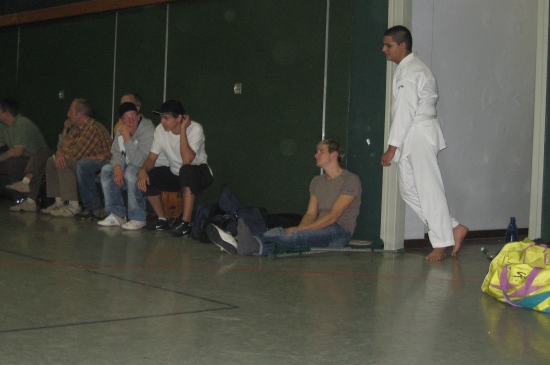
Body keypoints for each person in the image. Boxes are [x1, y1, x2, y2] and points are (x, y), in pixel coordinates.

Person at [380, 25, 469, 262]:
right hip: (412, 133)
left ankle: (440, 243)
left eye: (388, 45)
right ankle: (452, 227)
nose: (384, 50)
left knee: (429, 189)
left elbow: (405, 110)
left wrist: (392, 147)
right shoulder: (407, 69)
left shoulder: (413, 71)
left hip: (418, 132)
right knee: (408, 190)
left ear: (402, 45)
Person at [207, 139, 362, 256]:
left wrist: (301, 230)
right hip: (319, 225)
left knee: (295, 235)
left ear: (334, 154)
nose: (316, 154)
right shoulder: (316, 181)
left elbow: (334, 216)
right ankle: (248, 244)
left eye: (321, 151)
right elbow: (310, 214)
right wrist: (301, 228)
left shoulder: (350, 180)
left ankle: (240, 241)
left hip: (339, 231)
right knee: (283, 232)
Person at [137, 100, 213, 235]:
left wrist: (183, 129)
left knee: (186, 170)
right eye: (161, 117)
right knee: (149, 176)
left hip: (199, 173)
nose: (162, 122)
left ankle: (185, 223)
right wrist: (142, 170)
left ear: (179, 118)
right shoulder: (160, 130)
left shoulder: (195, 129)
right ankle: (162, 219)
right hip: (176, 173)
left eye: (166, 118)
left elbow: (187, 160)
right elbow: (151, 158)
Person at [42, 98, 112, 217]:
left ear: (80, 114)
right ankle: (59, 203)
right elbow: (62, 146)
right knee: (52, 161)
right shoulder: (76, 128)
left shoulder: (92, 128)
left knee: (65, 161)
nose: (68, 114)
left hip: (99, 165)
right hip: (82, 163)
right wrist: (60, 152)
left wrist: (62, 153)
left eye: (70, 111)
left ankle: (73, 206)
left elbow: (76, 154)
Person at [98, 102, 154, 230]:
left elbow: (140, 161)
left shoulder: (147, 130)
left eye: (134, 117)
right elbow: (116, 153)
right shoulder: (121, 130)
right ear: (121, 121)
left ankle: (138, 217)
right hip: (128, 166)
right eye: (127, 118)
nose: (131, 121)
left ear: (139, 117)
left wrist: (127, 137)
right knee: (107, 170)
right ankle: (117, 214)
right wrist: (117, 167)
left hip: (147, 169)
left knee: (130, 171)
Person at [7, 119, 71, 212]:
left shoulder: (81, 130)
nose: (68, 115)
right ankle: (28, 193)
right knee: (41, 153)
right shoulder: (71, 129)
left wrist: (61, 151)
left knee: (43, 158)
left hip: (67, 157)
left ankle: (26, 187)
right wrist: (65, 129)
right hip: (57, 155)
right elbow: (60, 146)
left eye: (71, 112)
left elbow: (65, 149)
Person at [0, 98, 48, 192]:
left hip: (36, 159)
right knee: (9, 162)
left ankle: (21, 196)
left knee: (12, 162)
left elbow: (18, 151)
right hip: (23, 158)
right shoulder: (3, 127)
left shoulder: (22, 123)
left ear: (6, 114)